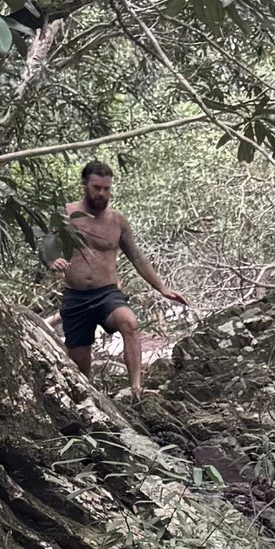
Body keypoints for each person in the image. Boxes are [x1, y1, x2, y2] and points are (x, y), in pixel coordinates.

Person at [50, 159, 186, 398]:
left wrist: (162, 288)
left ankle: (136, 389)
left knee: (129, 323)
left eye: (106, 189)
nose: (102, 194)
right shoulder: (66, 214)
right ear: (85, 185)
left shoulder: (117, 221)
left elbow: (137, 257)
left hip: (107, 294)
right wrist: (52, 260)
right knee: (81, 368)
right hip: (76, 297)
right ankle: (90, 404)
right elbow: (47, 246)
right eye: (97, 188)